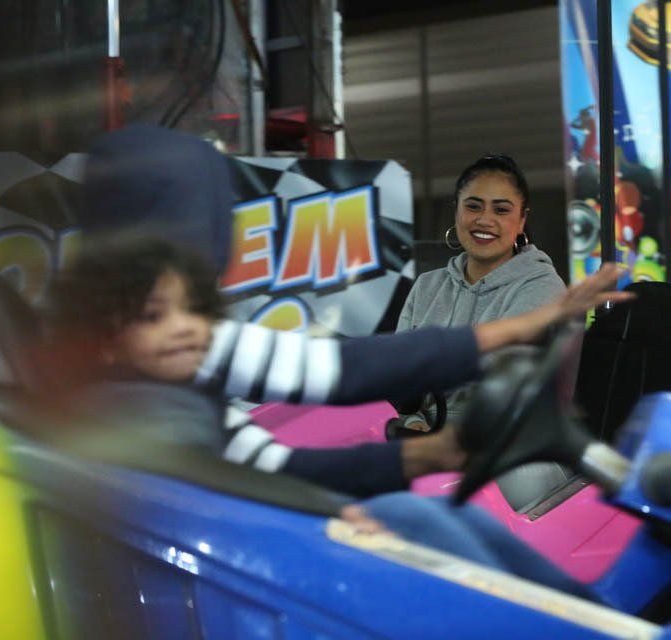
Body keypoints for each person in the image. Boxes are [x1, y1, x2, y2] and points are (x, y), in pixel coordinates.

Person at [47, 234, 621, 600]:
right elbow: (256, 476)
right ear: (104, 341)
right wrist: (334, 508)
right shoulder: (134, 413)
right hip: (216, 573)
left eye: (193, 311)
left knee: (438, 513)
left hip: (231, 547)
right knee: (413, 522)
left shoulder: (187, 378)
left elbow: (347, 373)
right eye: (154, 316)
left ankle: (591, 616)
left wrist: (436, 452)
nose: (186, 328)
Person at [394, 154, 567, 432]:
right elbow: (397, 377)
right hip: (429, 438)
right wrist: (412, 422)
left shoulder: (542, 287)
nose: (484, 220)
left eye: (501, 210)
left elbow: (496, 376)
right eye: (473, 206)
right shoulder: (427, 286)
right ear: (457, 212)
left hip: (513, 445)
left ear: (522, 220)